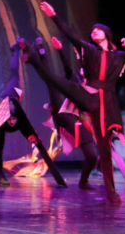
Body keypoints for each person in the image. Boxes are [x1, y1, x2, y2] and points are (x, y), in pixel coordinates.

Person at [21, 1, 125, 204]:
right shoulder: (89, 50)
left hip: (105, 104)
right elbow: (70, 34)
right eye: (92, 30)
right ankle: (33, 57)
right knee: (55, 80)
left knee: (104, 150)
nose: (94, 32)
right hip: (86, 94)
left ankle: (111, 192)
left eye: (98, 30)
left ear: (107, 34)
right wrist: (53, 15)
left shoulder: (119, 57)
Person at [35, 37, 98, 190]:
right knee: (51, 83)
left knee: (92, 156)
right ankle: (41, 54)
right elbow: (68, 69)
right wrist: (60, 50)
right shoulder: (76, 79)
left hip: (82, 122)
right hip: (66, 116)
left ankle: (83, 182)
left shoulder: (95, 87)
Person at [0, 40, 41, 186]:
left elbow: (25, 128)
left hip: (11, 98)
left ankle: (15, 50)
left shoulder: (19, 118)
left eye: (14, 120)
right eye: (10, 120)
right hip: (2, 103)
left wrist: (31, 137)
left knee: (14, 76)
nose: (12, 122)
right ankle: (0, 177)